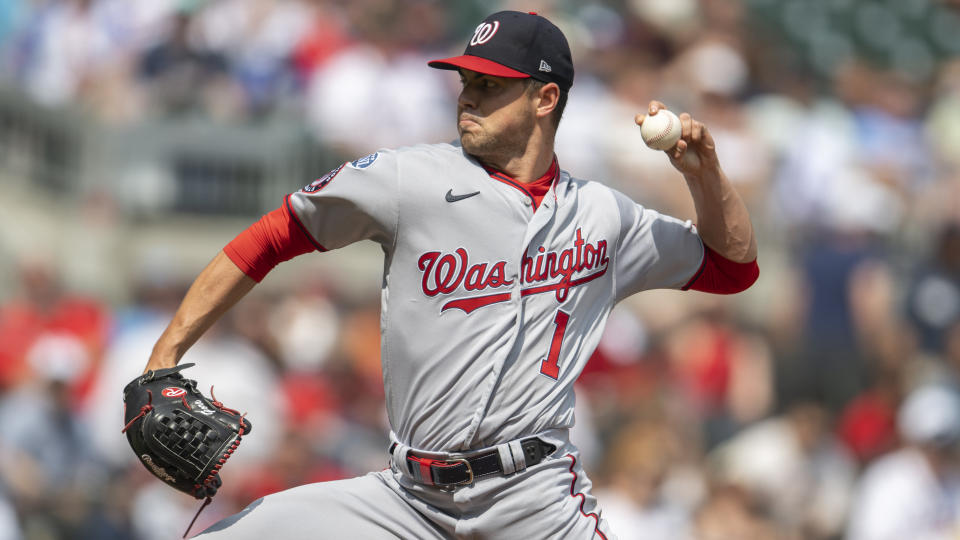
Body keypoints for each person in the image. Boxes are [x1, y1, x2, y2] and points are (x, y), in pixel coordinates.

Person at [141, 11, 758, 539]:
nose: (468, 95)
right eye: (467, 79)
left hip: (533, 500)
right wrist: (166, 351)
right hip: (406, 499)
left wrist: (704, 174)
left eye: (491, 85)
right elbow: (271, 237)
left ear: (545, 99)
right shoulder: (409, 179)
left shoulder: (603, 216)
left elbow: (731, 269)